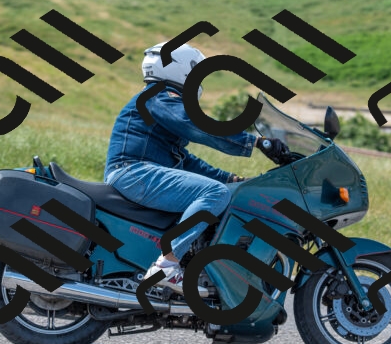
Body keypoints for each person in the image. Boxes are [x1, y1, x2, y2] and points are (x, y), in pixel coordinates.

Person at [103, 42, 288, 296]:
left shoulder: (157, 100)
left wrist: (231, 178)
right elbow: (200, 127)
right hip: (134, 172)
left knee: (220, 189)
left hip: (137, 172)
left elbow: (183, 161)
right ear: (181, 70)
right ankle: (166, 266)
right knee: (215, 193)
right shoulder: (160, 96)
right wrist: (257, 142)